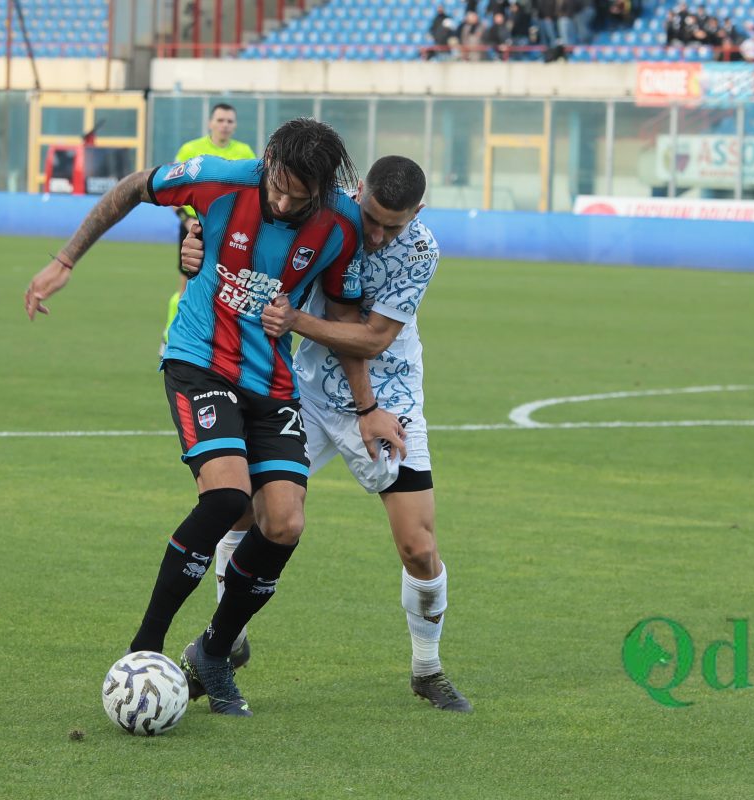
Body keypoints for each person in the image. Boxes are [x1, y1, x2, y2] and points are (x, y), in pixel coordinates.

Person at [23, 118, 405, 717]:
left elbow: (347, 322)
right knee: (227, 499)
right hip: (200, 360)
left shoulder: (340, 225)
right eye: (278, 186)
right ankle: (143, 649)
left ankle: (214, 652)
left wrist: (366, 408)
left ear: (323, 191)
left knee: (283, 523)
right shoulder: (217, 177)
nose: (282, 202)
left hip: (272, 381)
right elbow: (131, 187)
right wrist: (66, 260)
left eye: (298, 198)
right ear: (269, 159)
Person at [181, 156, 472, 713]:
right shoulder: (321, 213)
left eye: (396, 223)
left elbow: (370, 339)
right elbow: (238, 220)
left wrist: (297, 326)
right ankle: (226, 642)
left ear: (419, 213)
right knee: (248, 513)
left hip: (391, 403)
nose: (379, 234)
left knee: (418, 547)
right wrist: (191, 238)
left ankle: (427, 668)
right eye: (373, 217)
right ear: (356, 191)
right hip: (306, 393)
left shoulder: (420, 251)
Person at [162, 103, 257, 347]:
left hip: (230, 231)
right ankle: (172, 337)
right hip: (194, 227)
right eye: (221, 120)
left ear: (235, 125)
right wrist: (187, 218)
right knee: (187, 282)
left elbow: (252, 193)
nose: (225, 125)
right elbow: (171, 187)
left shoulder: (245, 151)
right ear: (210, 123)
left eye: (229, 121)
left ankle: (219, 341)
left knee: (228, 286)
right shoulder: (191, 149)